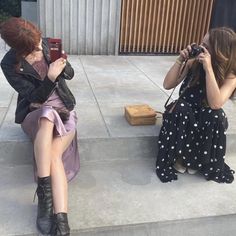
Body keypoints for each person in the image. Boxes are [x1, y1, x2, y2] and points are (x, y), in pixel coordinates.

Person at [0, 17, 79, 235]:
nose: (38, 46)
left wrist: (63, 63)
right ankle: (46, 202)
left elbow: (70, 75)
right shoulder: (9, 63)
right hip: (34, 113)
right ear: (18, 48)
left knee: (53, 154)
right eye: (33, 46)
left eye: (37, 40)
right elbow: (33, 97)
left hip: (64, 111)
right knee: (46, 114)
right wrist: (50, 76)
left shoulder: (50, 43)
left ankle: (61, 222)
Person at [156, 27, 236, 183]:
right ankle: (179, 157)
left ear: (219, 51)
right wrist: (181, 60)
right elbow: (167, 84)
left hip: (206, 115)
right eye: (201, 44)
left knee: (216, 115)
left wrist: (209, 70)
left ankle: (197, 160)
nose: (201, 48)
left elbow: (216, 103)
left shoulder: (231, 76)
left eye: (206, 46)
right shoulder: (193, 64)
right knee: (181, 108)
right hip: (184, 114)